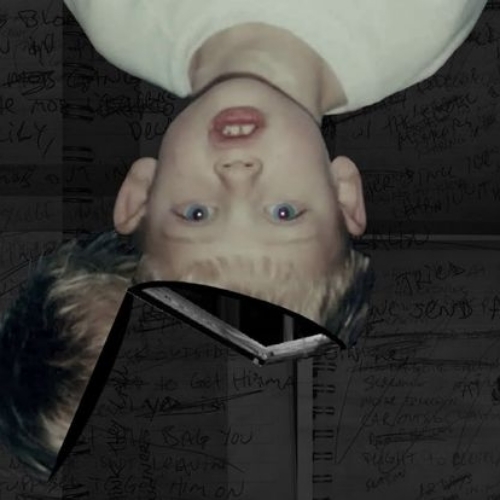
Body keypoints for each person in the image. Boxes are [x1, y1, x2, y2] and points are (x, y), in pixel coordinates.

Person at [0, 0, 488, 478]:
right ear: (343, 195)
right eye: (283, 213)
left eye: (196, 214)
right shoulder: (418, 24)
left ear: (141, 196)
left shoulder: (116, 19)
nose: (238, 174)